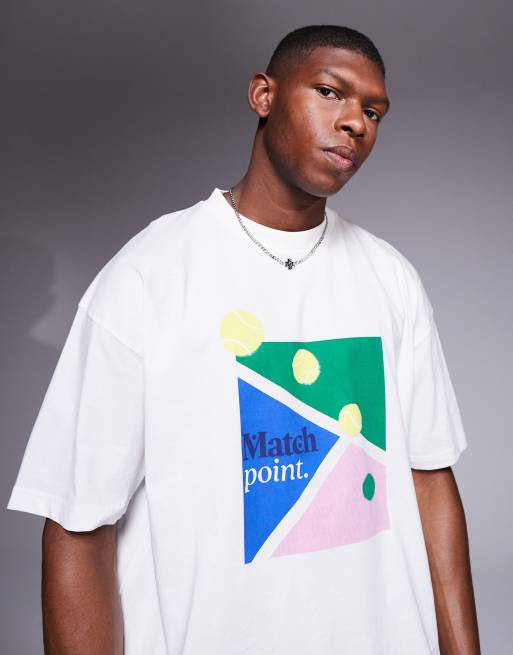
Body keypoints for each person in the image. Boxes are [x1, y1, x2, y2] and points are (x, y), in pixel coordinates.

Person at [6, 23, 480, 655]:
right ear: (263, 95)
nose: (355, 123)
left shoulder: (391, 278)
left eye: (373, 111)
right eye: (330, 92)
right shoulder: (150, 275)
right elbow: (76, 522)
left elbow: (429, 482)